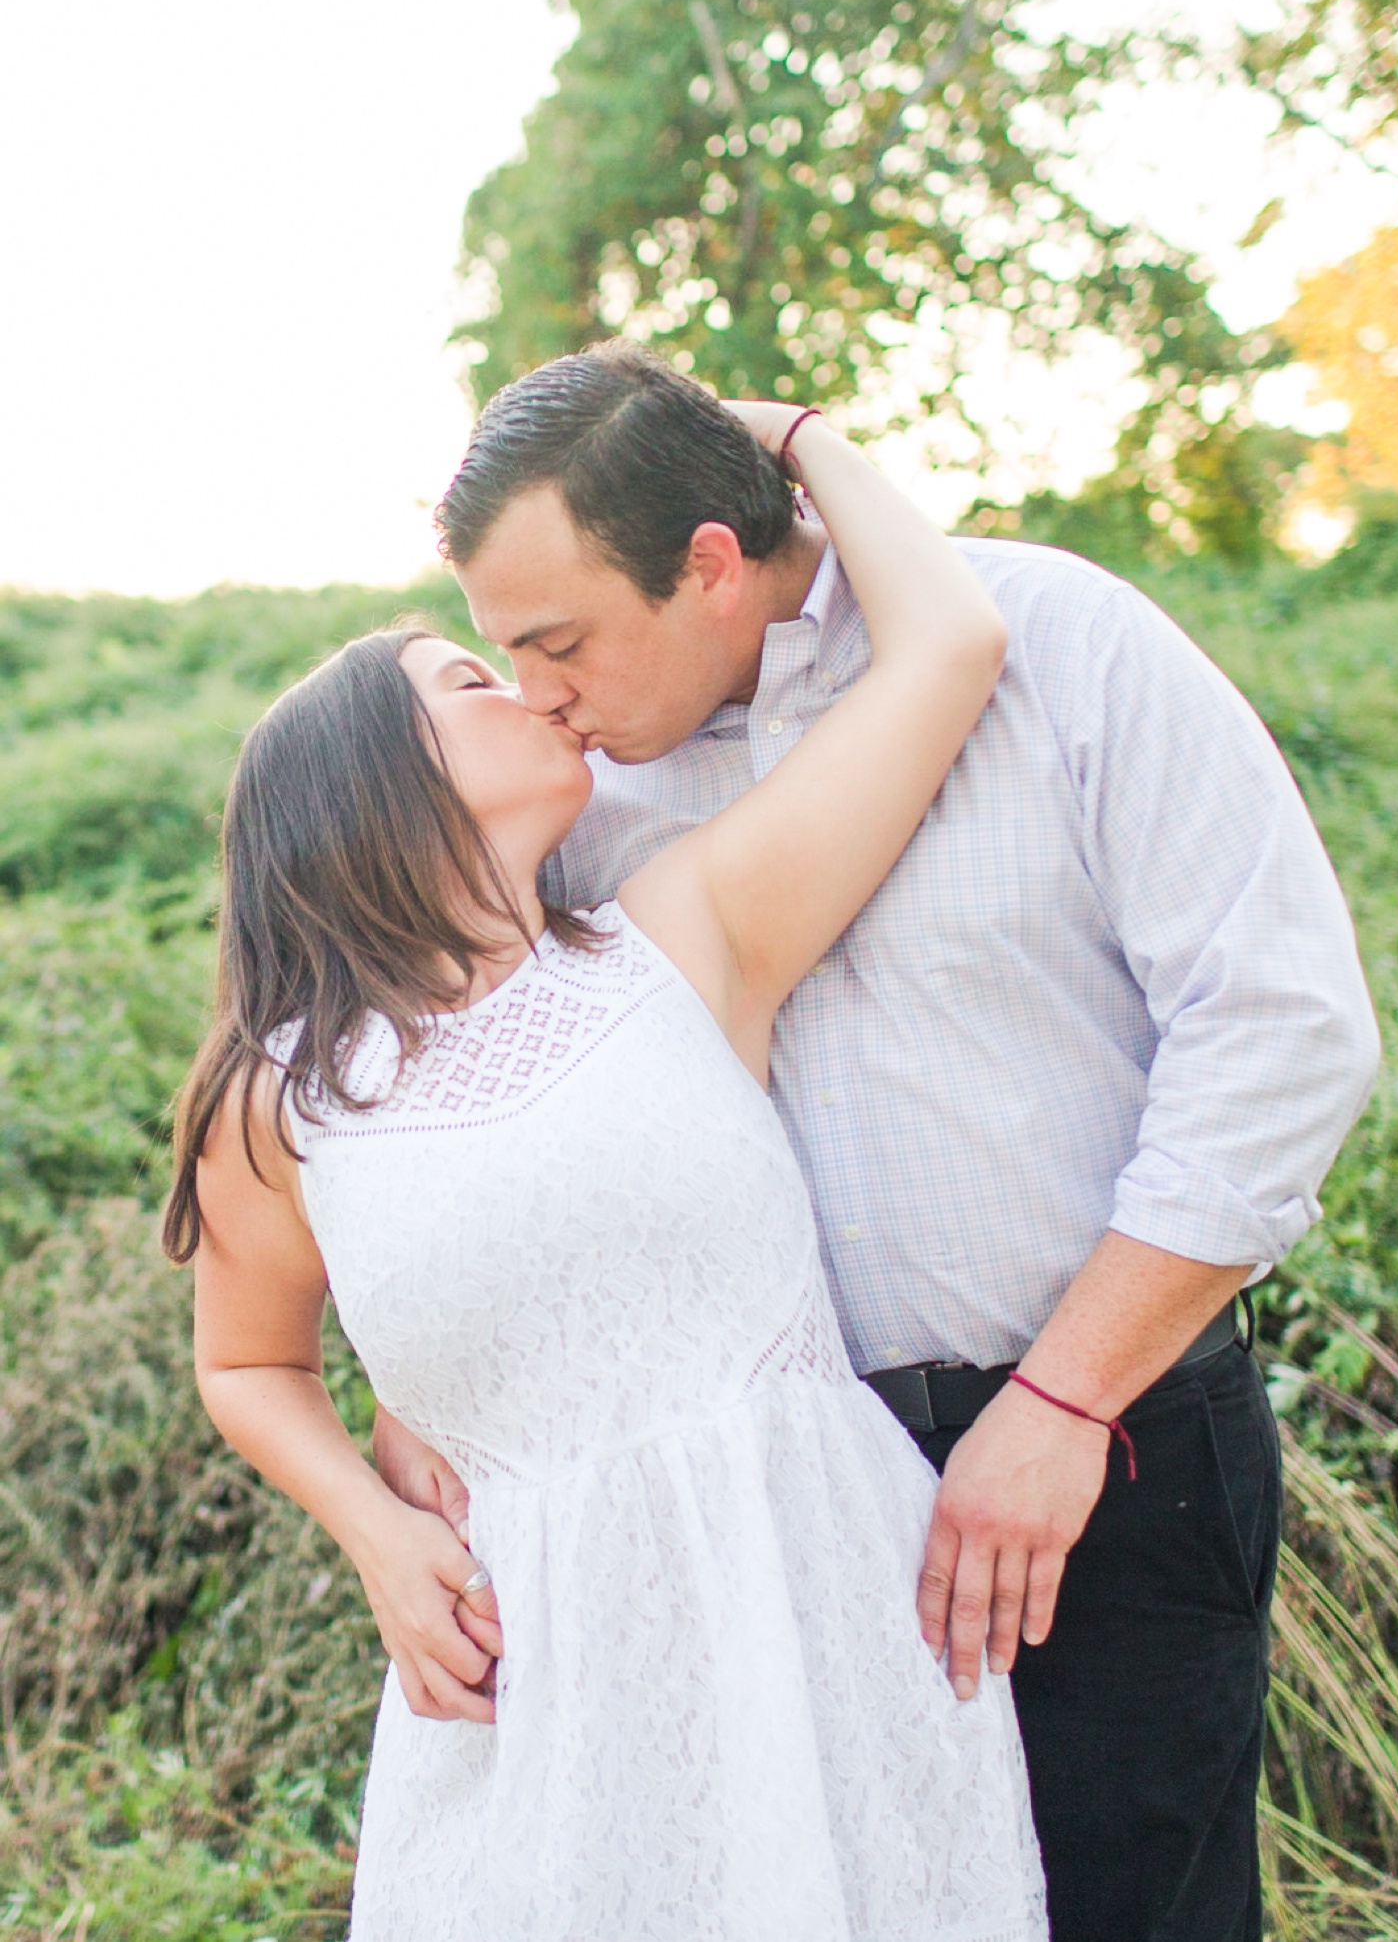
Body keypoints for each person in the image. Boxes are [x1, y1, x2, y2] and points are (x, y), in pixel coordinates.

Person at [378, 342, 1383, 1942]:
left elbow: (1282, 1031)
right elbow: (500, 1105)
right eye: (506, 659)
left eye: (559, 642)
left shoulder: (1058, 639)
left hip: (1112, 1449)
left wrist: (1063, 1395)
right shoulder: (575, 800)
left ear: (710, 565)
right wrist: (426, 1383)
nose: (539, 694)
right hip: (783, 1512)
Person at [166, 403, 1049, 1942]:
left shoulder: (684, 940)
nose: (532, 693)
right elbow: (245, 1357)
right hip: (543, 1691)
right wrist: (376, 1532)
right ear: (374, 785)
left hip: (819, 1606)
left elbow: (948, 646)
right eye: (470, 682)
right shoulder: (290, 1100)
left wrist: (792, 443)